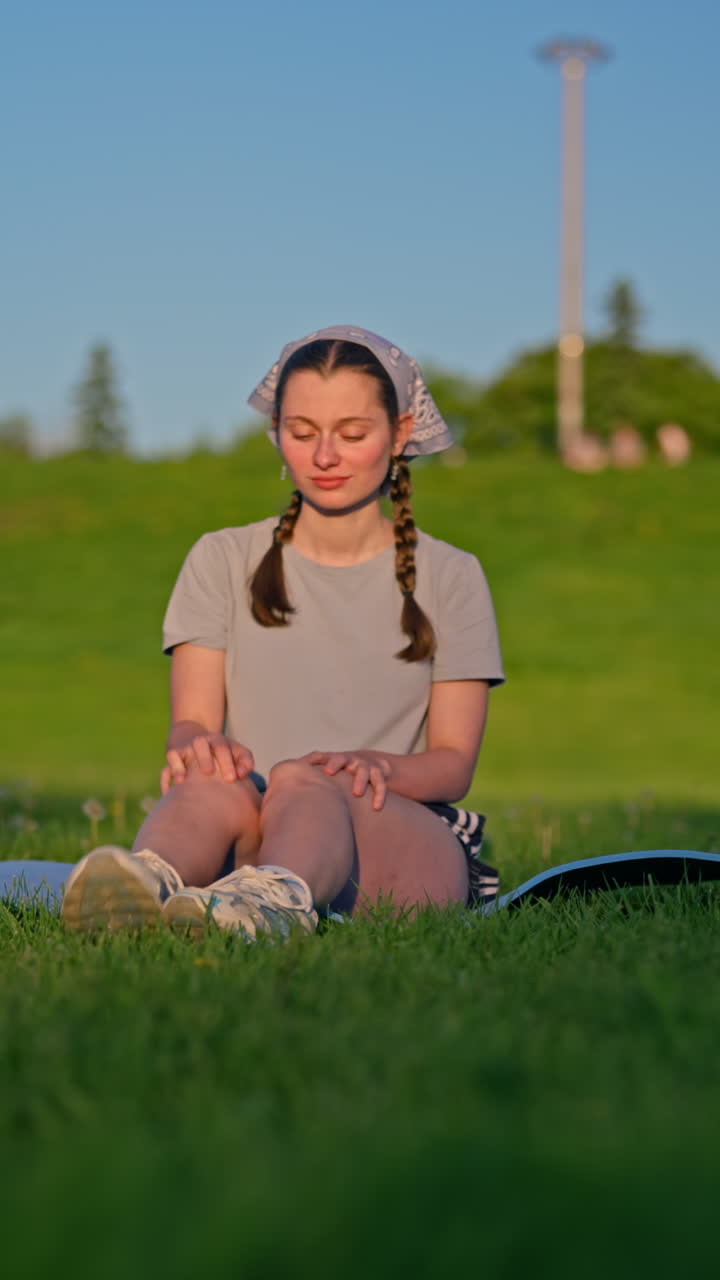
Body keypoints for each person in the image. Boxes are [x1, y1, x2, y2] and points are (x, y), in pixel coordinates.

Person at [60, 326, 505, 940]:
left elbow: (453, 765)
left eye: (352, 434)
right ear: (278, 434)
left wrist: (372, 765)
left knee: (304, 778)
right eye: (302, 433)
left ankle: (270, 902)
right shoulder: (220, 558)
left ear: (400, 434)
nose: (325, 456)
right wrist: (197, 746)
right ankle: (148, 885)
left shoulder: (452, 574)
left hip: (393, 840)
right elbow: (190, 722)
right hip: (259, 830)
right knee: (215, 782)